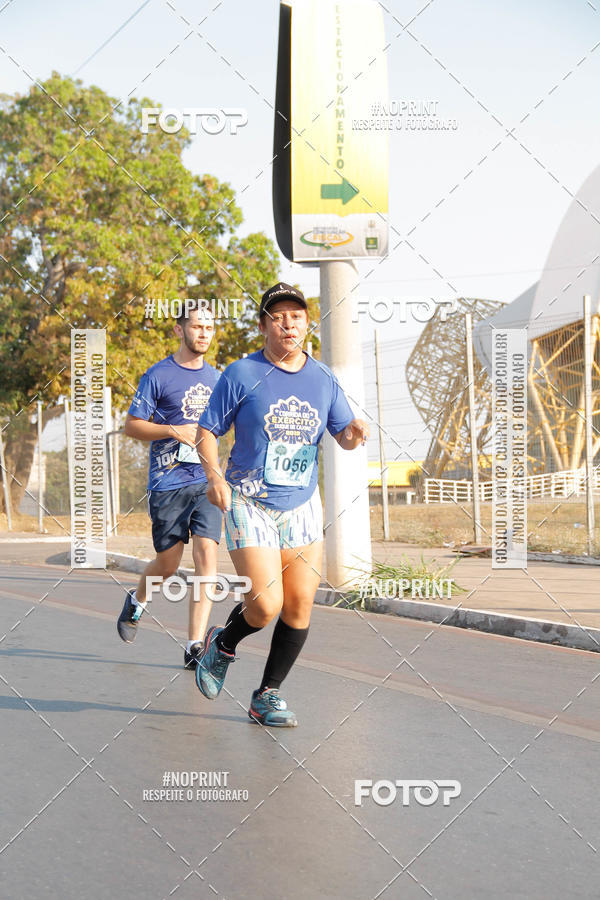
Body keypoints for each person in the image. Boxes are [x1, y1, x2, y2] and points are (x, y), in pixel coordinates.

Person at [193, 282, 369, 726]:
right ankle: (223, 643)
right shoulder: (241, 374)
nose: (288, 323)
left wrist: (354, 434)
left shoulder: (324, 378)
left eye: (297, 316)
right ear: (263, 325)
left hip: (303, 506)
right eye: (278, 316)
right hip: (249, 501)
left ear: (307, 324)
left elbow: (343, 436)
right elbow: (208, 430)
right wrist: (214, 475)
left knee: (298, 606)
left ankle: (267, 695)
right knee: (266, 605)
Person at [116, 303, 223, 669]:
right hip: (168, 482)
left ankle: (195, 645)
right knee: (168, 562)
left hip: (204, 480)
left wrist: (221, 473)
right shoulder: (158, 375)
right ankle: (137, 600)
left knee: (208, 555)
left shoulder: (217, 379)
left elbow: (220, 429)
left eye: (210, 327)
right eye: (197, 326)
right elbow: (132, 426)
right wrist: (172, 430)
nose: (204, 333)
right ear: (180, 330)